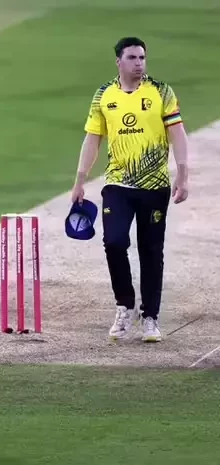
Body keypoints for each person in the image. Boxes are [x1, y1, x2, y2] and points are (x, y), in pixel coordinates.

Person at [70, 37, 189, 342]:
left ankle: (150, 317)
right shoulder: (104, 95)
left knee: (151, 252)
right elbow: (93, 139)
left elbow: (177, 133)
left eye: (142, 58)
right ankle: (125, 305)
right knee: (114, 241)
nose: (139, 64)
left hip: (155, 185)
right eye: (133, 58)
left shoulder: (161, 91)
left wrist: (183, 174)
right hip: (117, 184)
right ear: (119, 62)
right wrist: (80, 179)